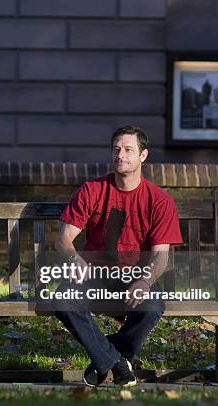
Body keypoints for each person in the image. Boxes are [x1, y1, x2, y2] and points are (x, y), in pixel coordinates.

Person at [54, 125, 183, 387]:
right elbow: (63, 238)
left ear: (143, 155)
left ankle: (108, 357)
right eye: (116, 149)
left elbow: (160, 256)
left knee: (153, 306)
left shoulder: (159, 201)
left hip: (136, 275)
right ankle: (118, 361)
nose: (120, 155)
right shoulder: (92, 190)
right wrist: (73, 258)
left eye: (128, 149)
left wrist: (145, 282)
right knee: (62, 298)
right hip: (96, 274)